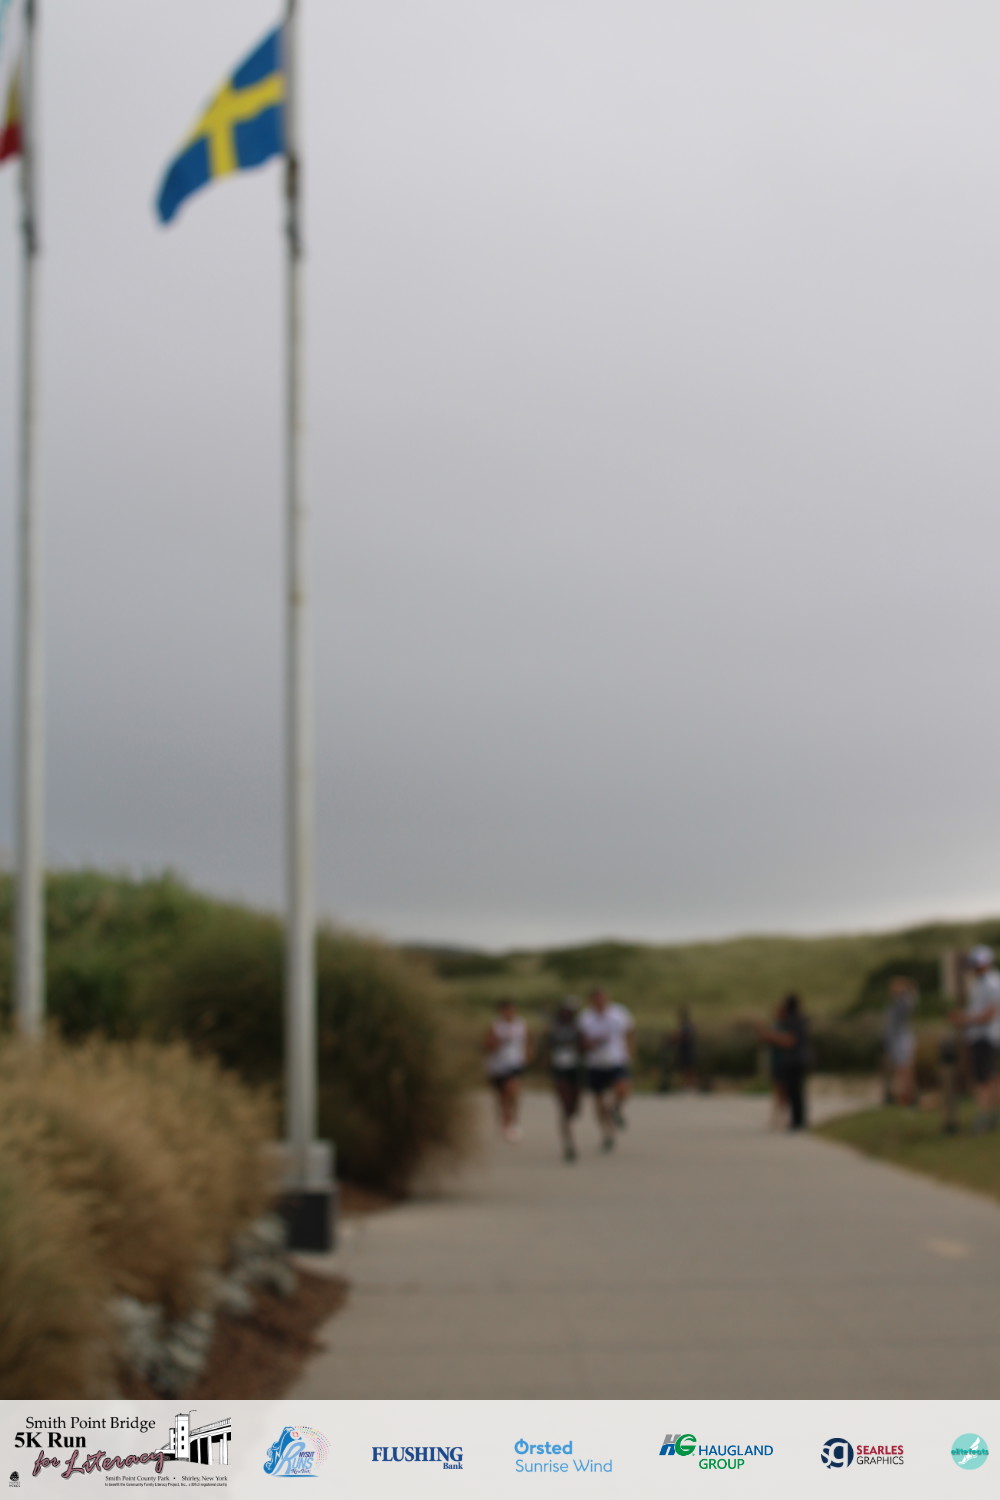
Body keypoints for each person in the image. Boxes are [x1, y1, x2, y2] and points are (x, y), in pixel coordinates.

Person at [578, 987, 635, 1151]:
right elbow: (580, 1040)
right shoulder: (585, 1018)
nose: (600, 1002)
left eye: (602, 998)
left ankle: (615, 1108)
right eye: (596, 999)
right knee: (598, 1100)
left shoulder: (619, 1013)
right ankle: (607, 1133)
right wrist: (586, 1045)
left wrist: (630, 1052)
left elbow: (631, 1031)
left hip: (616, 1059)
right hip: (595, 1063)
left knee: (623, 1089)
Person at [951, 946, 1000, 1133]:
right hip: (982, 1036)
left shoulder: (991, 984)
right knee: (991, 1076)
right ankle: (992, 1116)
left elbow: (989, 1014)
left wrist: (964, 1019)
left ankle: (984, 1117)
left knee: (983, 1079)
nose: (975, 968)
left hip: (986, 1036)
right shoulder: (981, 983)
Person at [758, 994, 809, 1131]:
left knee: (794, 1092)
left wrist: (772, 1037)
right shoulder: (798, 1020)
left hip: (794, 1061)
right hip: (794, 1061)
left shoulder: (793, 1021)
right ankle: (796, 1120)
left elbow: (789, 1041)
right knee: (794, 1092)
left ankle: (797, 1121)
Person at [484, 998, 531, 1141]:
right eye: (506, 1010)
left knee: (513, 1091)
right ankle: (505, 1121)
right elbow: (488, 1046)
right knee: (502, 1096)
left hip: (515, 1064)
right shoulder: (495, 1026)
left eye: (511, 1009)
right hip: (498, 1066)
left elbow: (528, 1042)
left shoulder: (521, 1024)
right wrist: (498, 1041)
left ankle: (513, 1122)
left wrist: (527, 1056)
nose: (509, 1012)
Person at [543, 998, 583, 1161]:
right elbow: (546, 1049)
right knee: (565, 1108)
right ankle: (569, 1143)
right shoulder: (553, 1028)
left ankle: (569, 1135)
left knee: (573, 1107)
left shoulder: (579, 1027)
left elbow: (584, 1047)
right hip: (560, 1070)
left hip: (576, 1070)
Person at [883, 976, 918, 1106]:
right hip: (895, 1040)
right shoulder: (894, 1004)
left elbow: (911, 1002)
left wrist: (906, 990)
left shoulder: (904, 1002)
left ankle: (909, 1095)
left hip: (902, 1039)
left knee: (905, 1068)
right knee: (899, 1068)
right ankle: (901, 1095)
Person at [673, 1007, 698, 1090]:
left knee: (689, 1068)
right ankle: (686, 1084)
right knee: (685, 1068)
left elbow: (685, 1037)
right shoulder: (685, 1026)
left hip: (688, 1050)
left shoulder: (687, 1026)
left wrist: (676, 1039)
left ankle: (690, 1084)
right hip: (684, 1050)